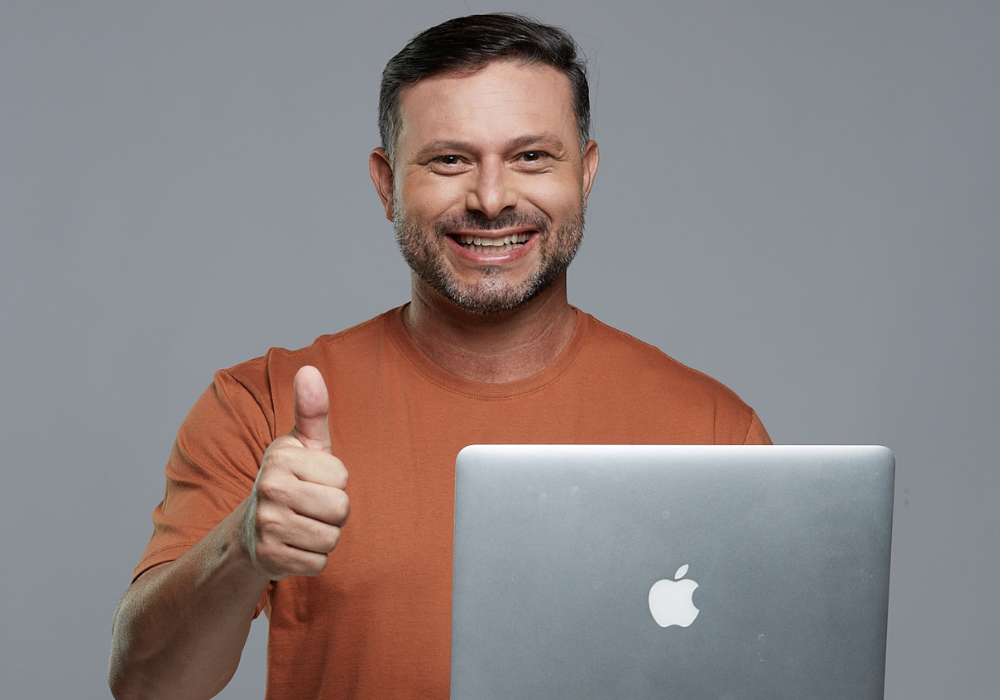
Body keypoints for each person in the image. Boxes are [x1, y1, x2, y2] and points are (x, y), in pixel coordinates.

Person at [109, 13, 771, 700]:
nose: (491, 199)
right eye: (450, 160)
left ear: (587, 171)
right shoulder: (262, 403)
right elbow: (148, 685)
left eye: (532, 157)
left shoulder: (714, 429)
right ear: (386, 182)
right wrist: (240, 547)